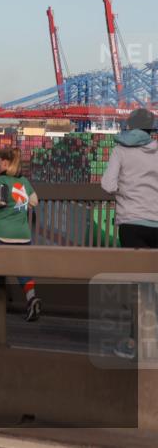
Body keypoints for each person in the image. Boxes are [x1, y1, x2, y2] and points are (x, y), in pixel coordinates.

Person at [101, 108, 158, 359]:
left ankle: (134, 343)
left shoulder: (120, 150)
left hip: (131, 225)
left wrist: (126, 192)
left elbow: (108, 184)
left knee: (139, 286)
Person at [0, 147, 42, 322]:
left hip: (2, 233)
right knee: (23, 270)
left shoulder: (0, 179)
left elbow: (1, 200)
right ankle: (31, 299)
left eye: (0, 161)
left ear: (6, 163)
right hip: (23, 234)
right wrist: (22, 208)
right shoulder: (24, 181)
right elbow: (35, 201)